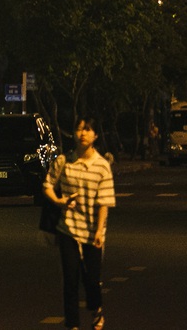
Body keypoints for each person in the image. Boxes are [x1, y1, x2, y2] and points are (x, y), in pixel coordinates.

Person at [43, 117, 115, 330]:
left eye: (88, 129)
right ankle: (72, 324)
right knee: (70, 279)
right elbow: (47, 185)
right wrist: (59, 201)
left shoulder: (102, 166)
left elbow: (104, 202)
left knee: (91, 280)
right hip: (68, 229)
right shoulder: (64, 161)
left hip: (93, 230)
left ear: (95, 136)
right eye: (79, 129)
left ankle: (96, 308)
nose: (83, 133)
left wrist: (100, 230)